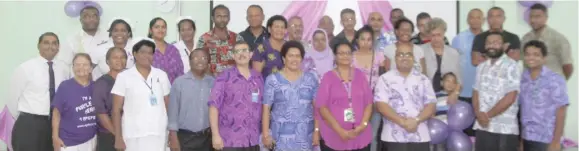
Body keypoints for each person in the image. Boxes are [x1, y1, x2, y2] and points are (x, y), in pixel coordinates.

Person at [10, 32, 70, 151]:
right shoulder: (25, 68)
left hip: (55, 125)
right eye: (46, 43)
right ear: (39, 46)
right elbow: (12, 99)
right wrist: (25, 118)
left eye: (54, 43)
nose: (50, 46)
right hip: (29, 124)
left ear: (58, 47)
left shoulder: (64, 69)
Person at [111, 40, 171, 151]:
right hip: (133, 134)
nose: (146, 56)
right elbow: (116, 110)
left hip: (159, 132)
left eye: (150, 53)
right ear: (134, 54)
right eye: (143, 52)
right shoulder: (124, 77)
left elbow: (168, 105)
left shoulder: (161, 75)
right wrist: (118, 137)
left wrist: (171, 132)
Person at [374, 43, 436, 151]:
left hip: (420, 135)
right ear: (395, 58)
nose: (405, 58)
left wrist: (416, 120)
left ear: (413, 58)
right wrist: (402, 122)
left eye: (408, 55)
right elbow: (381, 105)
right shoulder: (384, 79)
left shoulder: (423, 79)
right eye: (401, 54)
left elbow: (431, 105)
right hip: (393, 137)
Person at [262, 41, 320, 151]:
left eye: (298, 56)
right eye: (290, 55)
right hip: (280, 138)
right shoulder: (273, 80)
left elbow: (317, 108)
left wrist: (316, 131)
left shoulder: (311, 79)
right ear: (283, 58)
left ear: (302, 59)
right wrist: (265, 134)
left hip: (305, 137)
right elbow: (266, 109)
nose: (294, 59)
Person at [315, 41, 373, 151]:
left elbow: (369, 103)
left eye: (348, 53)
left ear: (352, 56)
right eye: (341, 53)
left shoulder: (360, 75)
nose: (345, 56)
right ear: (335, 56)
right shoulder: (328, 77)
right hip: (335, 135)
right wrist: (340, 131)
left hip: (360, 135)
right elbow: (322, 107)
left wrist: (363, 125)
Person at [208, 41, 264, 151]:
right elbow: (213, 106)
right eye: (237, 51)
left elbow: (261, 104)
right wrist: (215, 135)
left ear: (251, 54)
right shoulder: (224, 77)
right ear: (233, 56)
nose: (241, 54)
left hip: (253, 139)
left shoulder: (258, 77)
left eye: (244, 50)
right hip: (230, 141)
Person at [473, 32, 522, 151]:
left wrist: (487, 116)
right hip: (482, 126)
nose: (492, 46)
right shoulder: (481, 67)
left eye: (496, 43)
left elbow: (511, 96)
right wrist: (479, 114)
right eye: (488, 43)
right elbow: (476, 92)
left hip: (504, 128)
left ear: (504, 46)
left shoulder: (511, 66)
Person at [520, 40, 568, 151]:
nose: (531, 57)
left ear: (544, 58)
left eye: (536, 54)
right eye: (527, 54)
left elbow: (561, 111)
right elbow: (524, 111)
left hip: (547, 139)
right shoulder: (523, 79)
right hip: (527, 137)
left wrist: (556, 141)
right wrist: (522, 141)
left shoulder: (554, 79)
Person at [168, 48, 215, 151]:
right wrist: (173, 137)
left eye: (204, 58)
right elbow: (173, 112)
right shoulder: (179, 83)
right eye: (196, 57)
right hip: (185, 137)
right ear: (189, 62)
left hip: (207, 138)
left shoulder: (213, 82)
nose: (200, 60)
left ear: (208, 62)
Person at [51, 53, 98, 151]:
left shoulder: (96, 87)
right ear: (73, 68)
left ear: (91, 68)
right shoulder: (65, 86)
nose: (81, 67)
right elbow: (56, 113)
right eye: (77, 64)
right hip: (68, 143)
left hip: (91, 140)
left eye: (85, 64)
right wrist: (55, 137)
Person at [351, 25, 386, 151]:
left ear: (373, 41)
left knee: (373, 135)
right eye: (362, 39)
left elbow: (383, 79)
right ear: (357, 40)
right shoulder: (350, 57)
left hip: (374, 102)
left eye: (369, 39)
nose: (366, 42)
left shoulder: (379, 56)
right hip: (353, 103)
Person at [451, 8, 483, 137]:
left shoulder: (488, 38)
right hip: (463, 92)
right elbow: (453, 65)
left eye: (478, 17)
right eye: (472, 17)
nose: (475, 20)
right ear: (467, 20)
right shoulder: (459, 39)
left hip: (483, 93)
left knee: (480, 131)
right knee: (463, 131)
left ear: (483, 20)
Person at [521, 3, 574, 80]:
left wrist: (559, 83)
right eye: (531, 16)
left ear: (546, 18)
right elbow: (525, 62)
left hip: (552, 85)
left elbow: (568, 66)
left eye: (537, 17)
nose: (533, 20)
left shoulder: (558, 38)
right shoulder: (526, 38)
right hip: (531, 86)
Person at [92, 47, 127, 151]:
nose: (119, 60)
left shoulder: (130, 80)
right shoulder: (102, 83)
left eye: (122, 57)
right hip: (109, 135)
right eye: (115, 57)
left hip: (128, 133)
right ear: (108, 61)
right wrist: (118, 136)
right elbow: (102, 114)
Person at [197, 4, 244, 76]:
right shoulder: (204, 39)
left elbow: (243, 60)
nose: (222, 19)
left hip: (233, 80)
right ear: (212, 18)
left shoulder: (237, 38)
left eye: (225, 16)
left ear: (229, 18)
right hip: (211, 81)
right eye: (219, 16)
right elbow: (199, 61)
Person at [421, 18, 461, 92]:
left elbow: (459, 80)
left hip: (448, 97)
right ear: (428, 35)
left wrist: (455, 93)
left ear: (444, 34)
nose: (436, 39)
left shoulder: (453, 53)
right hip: (426, 96)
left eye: (439, 35)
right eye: (433, 35)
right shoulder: (421, 51)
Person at [148, 17, 184, 83]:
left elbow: (180, 72)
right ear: (150, 30)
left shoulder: (173, 50)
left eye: (163, 27)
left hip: (173, 90)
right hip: (152, 90)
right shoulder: (145, 50)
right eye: (157, 27)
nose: (160, 29)